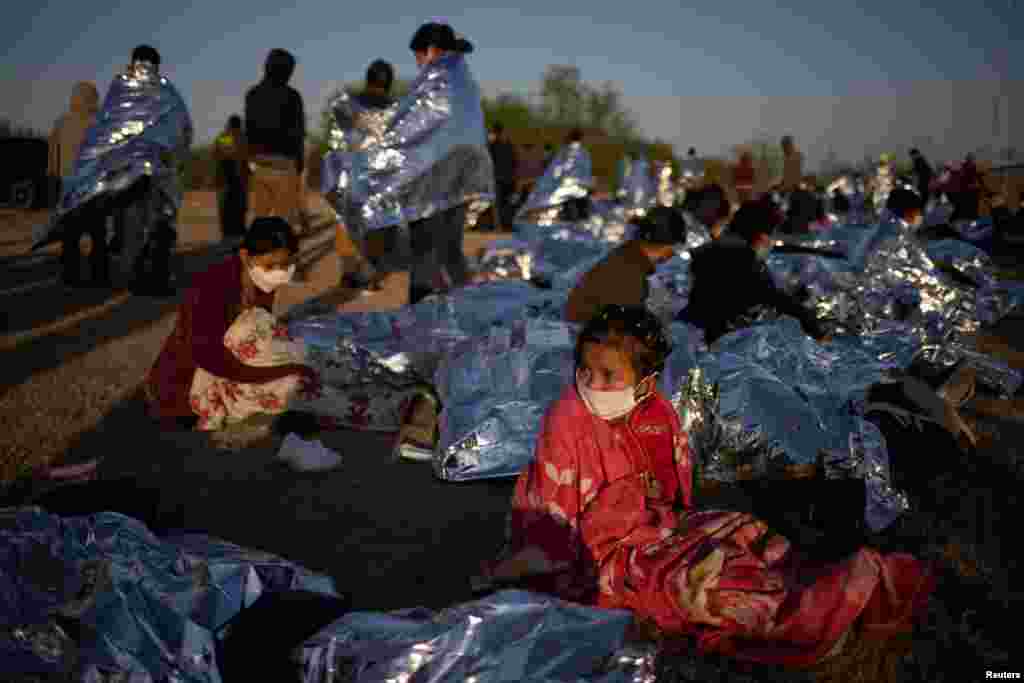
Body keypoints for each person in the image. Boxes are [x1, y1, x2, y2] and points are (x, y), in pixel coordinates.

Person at [482, 304, 933, 668]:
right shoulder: (567, 421)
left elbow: (671, 496)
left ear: (644, 384)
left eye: (608, 376)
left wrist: (657, 520)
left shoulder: (654, 415)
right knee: (712, 585)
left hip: (656, 530)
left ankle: (823, 589)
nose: (591, 384)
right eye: (585, 371)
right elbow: (554, 528)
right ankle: (819, 610)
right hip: (599, 556)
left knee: (739, 528)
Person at [144, 216, 425, 433]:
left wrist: (287, 357)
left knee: (313, 356)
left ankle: (395, 385)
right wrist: (282, 368)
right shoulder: (212, 285)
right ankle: (393, 410)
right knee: (297, 384)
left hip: (240, 365)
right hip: (193, 386)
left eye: (287, 264)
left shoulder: (260, 281)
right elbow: (207, 356)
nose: (281, 273)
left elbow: (261, 335)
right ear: (245, 256)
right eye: (272, 265)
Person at [679, 199, 830, 344]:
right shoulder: (743, 256)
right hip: (722, 341)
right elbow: (776, 298)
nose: (772, 241)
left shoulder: (708, 249)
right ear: (762, 236)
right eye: (772, 235)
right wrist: (815, 329)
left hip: (695, 331)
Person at [338, 59, 400, 293]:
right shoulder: (395, 109)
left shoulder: (349, 104)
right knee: (378, 226)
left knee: (347, 226)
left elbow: (340, 141)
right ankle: (372, 274)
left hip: (352, 174)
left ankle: (348, 273)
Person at [565, 206, 686, 324]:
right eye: (673, 249)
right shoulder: (630, 272)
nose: (672, 255)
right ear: (666, 246)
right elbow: (631, 324)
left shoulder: (628, 256)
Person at [49, 81, 104, 287]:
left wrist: (54, 179)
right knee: (97, 234)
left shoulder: (61, 123)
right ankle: (99, 276)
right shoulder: (99, 123)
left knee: (70, 235)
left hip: (69, 188)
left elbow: (53, 157)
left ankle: (70, 275)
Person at [245, 49, 306, 226]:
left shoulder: (253, 95)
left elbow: (249, 130)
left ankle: (261, 252)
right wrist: (299, 164)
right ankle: (279, 252)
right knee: (282, 223)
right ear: (287, 70)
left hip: (259, 163)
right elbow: (298, 133)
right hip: (284, 163)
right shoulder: (292, 96)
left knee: (261, 218)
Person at [214, 115, 249, 239]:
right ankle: (237, 231)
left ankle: (228, 232)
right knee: (239, 207)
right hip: (235, 179)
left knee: (225, 208)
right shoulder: (243, 138)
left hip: (226, 180)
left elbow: (220, 156)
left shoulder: (224, 137)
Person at [488, 123, 517, 230]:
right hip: (505, 179)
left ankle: (503, 225)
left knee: (503, 204)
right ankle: (504, 225)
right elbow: (515, 162)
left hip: (502, 179)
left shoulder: (494, 145)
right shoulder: (506, 145)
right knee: (505, 204)